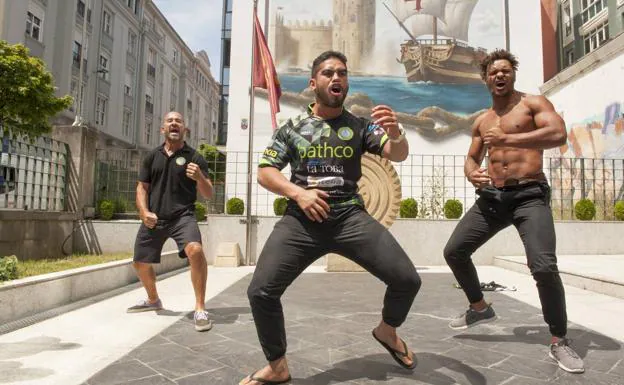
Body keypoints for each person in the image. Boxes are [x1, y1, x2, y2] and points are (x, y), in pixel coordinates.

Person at [239, 51, 422, 385]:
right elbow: (265, 172)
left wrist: (397, 135)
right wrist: (298, 193)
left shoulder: (359, 125)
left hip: (350, 217)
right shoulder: (292, 128)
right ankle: (277, 366)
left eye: (342, 73)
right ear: (313, 84)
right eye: (327, 73)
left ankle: (387, 331)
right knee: (261, 292)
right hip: (301, 221)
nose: (336, 78)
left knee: (408, 280)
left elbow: (398, 154)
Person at [443, 49, 584, 373]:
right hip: (492, 199)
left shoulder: (533, 104)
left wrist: (510, 138)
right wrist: (470, 172)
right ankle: (478, 307)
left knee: (544, 266)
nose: (500, 76)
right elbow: (471, 157)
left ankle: (559, 340)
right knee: (454, 251)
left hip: (529, 196)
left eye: (505, 70)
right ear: (486, 78)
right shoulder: (482, 120)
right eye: (494, 72)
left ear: (513, 74)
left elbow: (558, 134)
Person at [126, 111, 214, 333]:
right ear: (162, 129)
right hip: (154, 217)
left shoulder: (195, 157)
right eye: (169, 121)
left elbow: (208, 193)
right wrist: (144, 211)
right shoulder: (151, 156)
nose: (174, 123)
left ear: (185, 129)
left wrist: (200, 178)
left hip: (183, 216)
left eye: (179, 121)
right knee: (139, 263)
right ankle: (153, 299)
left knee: (195, 250)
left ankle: (200, 308)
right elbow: (142, 187)